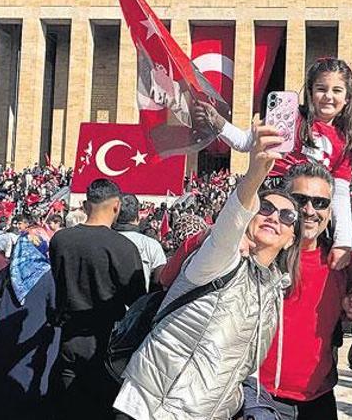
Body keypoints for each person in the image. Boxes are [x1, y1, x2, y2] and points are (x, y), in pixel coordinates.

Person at [114, 120, 303, 419]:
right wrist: (256, 172)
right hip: (154, 406)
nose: (273, 217)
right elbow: (231, 222)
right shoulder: (221, 259)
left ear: (293, 238)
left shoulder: (272, 290)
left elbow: (242, 366)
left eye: (287, 216)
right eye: (264, 209)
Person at [198, 57, 352, 269]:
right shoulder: (290, 116)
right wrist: (218, 123)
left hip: (310, 206)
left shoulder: (345, 140)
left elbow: (340, 194)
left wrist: (343, 243)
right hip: (273, 194)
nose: (328, 96)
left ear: (347, 98)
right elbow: (246, 142)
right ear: (310, 92)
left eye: (337, 90)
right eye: (321, 88)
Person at [256, 163, 347, 419]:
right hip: (260, 398)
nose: (310, 210)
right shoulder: (262, 255)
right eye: (300, 200)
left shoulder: (343, 263)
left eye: (320, 203)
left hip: (318, 402)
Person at [49, 179, 146, 418]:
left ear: (85, 204)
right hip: (107, 345)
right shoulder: (122, 247)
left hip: (69, 339)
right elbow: (138, 302)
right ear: (117, 206)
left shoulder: (60, 240)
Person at [0, 232, 61, 419]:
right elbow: (56, 309)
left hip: (5, 337)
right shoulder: (49, 276)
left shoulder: (9, 273)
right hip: (34, 340)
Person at [114, 194, 167, 291]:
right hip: (138, 303)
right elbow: (160, 279)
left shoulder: (99, 240)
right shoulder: (151, 245)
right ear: (138, 217)